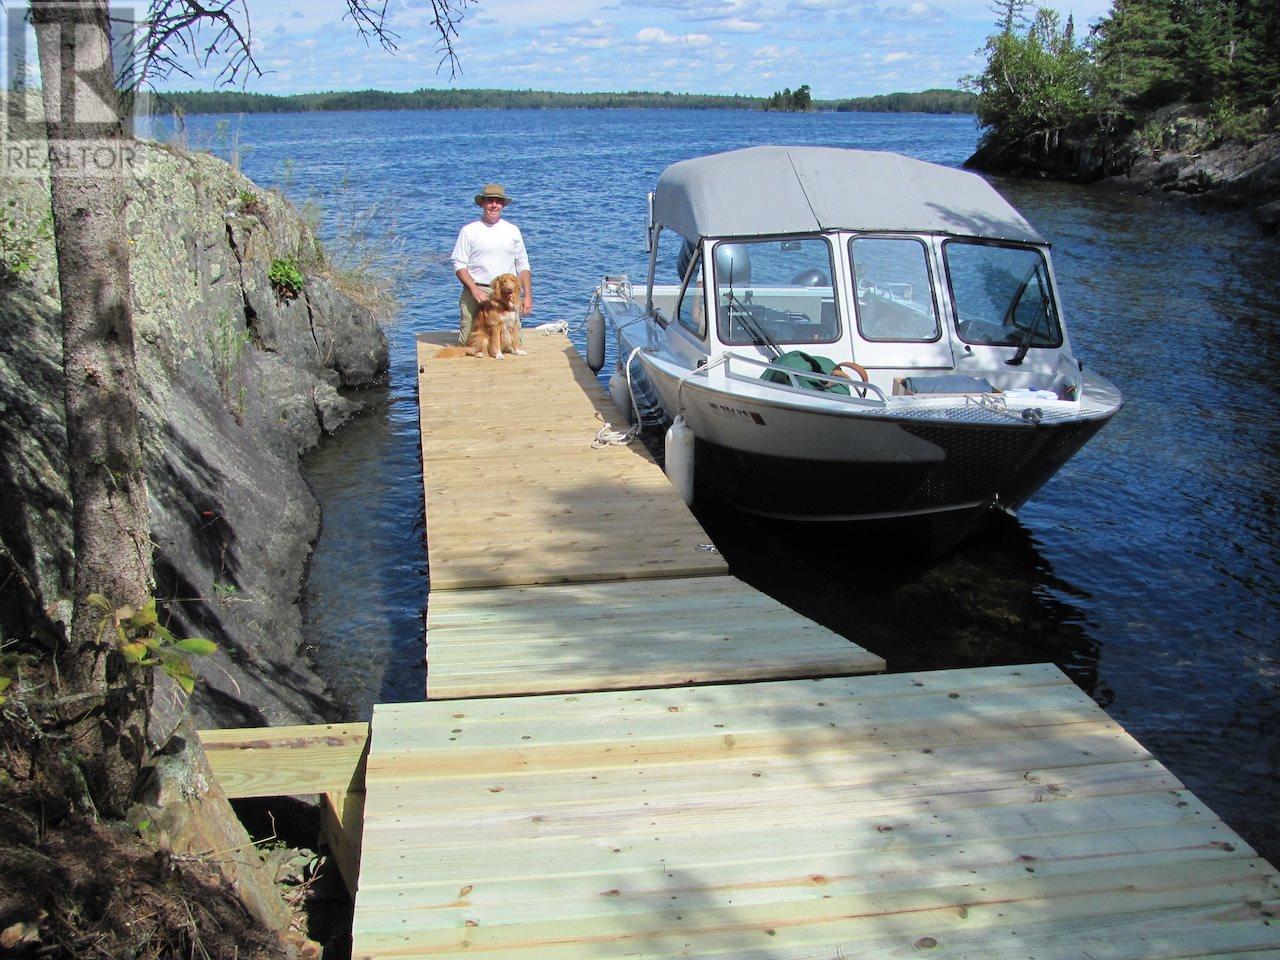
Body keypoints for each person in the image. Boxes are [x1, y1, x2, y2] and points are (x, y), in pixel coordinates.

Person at [450, 183, 533, 344]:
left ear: (502, 205)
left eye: (498, 201)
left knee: (513, 342)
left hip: (507, 291)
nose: (494, 205)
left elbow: (523, 266)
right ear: (482, 203)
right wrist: (474, 290)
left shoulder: (513, 230)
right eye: (490, 201)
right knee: (468, 340)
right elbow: (459, 265)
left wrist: (528, 296)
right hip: (477, 289)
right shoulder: (469, 230)